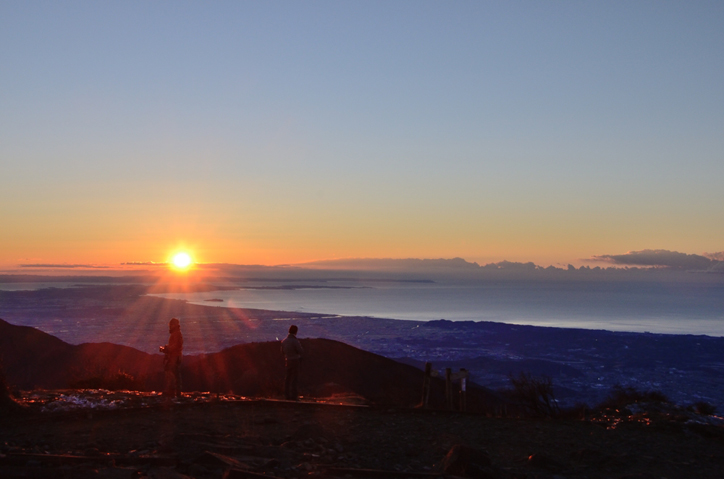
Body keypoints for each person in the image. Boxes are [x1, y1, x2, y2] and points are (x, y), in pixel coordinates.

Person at [160, 317, 183, 398]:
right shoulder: (176, 333)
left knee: (171, 373)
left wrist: (166, 349)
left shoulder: (176, 334)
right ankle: (176, 392)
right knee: (175, 373)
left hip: (174, 356)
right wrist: (166, 348)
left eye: (171, 325)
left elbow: (176, 346)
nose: (170, 326)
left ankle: (172, 391)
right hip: (175, 356)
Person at [281, 324, 303, 400]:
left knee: (288, 378)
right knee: (294, 378)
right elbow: (300, 351)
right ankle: (294, 396)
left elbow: (282, 352)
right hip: (295, 360)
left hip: (288, 360)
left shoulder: (284, 341)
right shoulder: (295, 341)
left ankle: (286, 395)